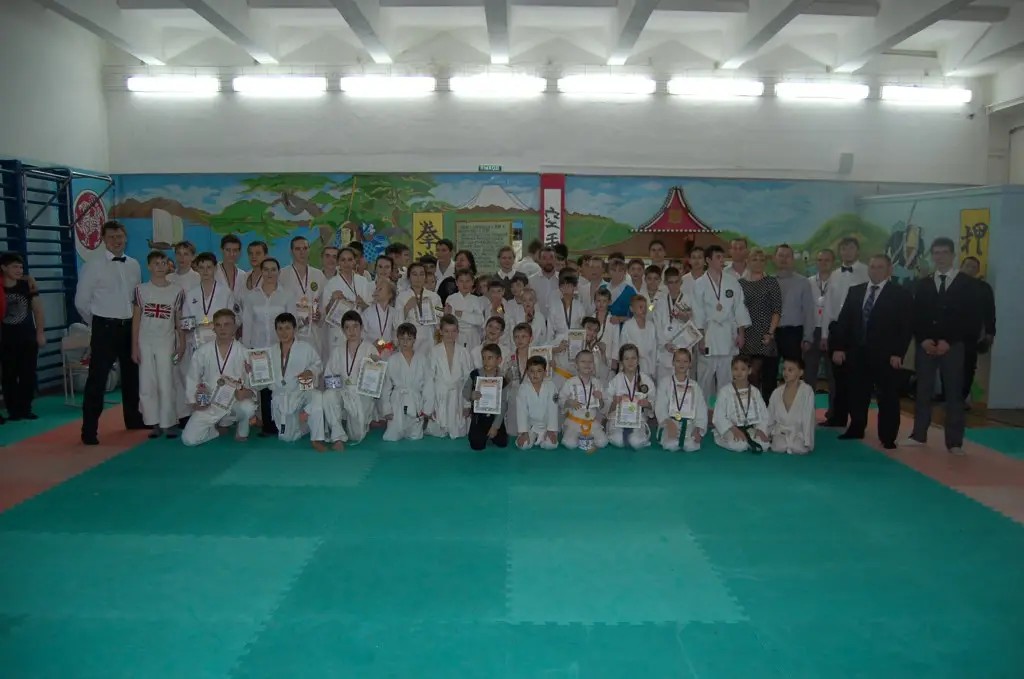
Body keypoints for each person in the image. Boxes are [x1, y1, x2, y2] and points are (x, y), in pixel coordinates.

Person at [831, 254, 913, 449]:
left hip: (886, 355)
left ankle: (888, 436)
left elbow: (905, 327)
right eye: (872, 267)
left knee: (887, 397)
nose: (875, 270)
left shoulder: (900, 294)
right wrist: (839, 347)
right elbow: (844, 321)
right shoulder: (856, 291)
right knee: (857, 393)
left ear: (889, 270)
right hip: (857, 352)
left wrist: (898, 353)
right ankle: (856, 427)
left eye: (880, 267)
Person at [75, 220, 145, 445]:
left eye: (120, 237)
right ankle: (89, 429)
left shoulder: (134, 264)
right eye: (112, 237)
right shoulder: (93, 265)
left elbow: (137, 299)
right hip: (104, 327)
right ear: (104, 240)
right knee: (97, 379)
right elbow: (81, 301)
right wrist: (97, 322)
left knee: (132, 376)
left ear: (126, 238)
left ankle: (133, 419)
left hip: (129, 327)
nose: (116, 241)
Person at [903, 238, 974, 454]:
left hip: (953, 346)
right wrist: (923, 339)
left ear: (953, 255)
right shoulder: (924, 283)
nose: (940, 257)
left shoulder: (966, 283)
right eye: (936, 253)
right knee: (923, 391)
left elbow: (970, 318)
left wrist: (948, 341)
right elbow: (915, 315)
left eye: (944, 252)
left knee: (953, 393)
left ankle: (954, 442)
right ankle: (918, 435)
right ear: (932, 255)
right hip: (926, 345)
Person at [181, 309, 257, 446]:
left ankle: (242, 428)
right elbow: (192, 377)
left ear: (234, 328)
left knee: (248, 407)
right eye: (218, 325)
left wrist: (247, 392)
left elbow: (253, 383)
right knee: (188, 440)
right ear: (213, 328)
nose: (222, 328)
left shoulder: (244, 352)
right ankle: (213, 431)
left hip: (234, 402)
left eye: (227, 324)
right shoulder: (203, 351)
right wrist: (194, 402)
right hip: (209, 402)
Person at [131, 251, 184, 439]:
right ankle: (153, 422)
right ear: (149, 266)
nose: (160, 267)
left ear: (168, 265)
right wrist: (134, 347)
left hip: (166, 341)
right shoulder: (140, 290)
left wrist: (182, 344)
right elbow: (136, 320)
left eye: (163, 263)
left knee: (166, 382)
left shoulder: (177, 291)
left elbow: (178, 321)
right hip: (145, 341)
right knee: (147, 383)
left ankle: (169, 422)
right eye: (156, 263)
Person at [241, 258, 296, 436]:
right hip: (259, 349)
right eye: (266, 270)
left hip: (281, 348)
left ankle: (283, 422)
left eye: (273, 269)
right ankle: (267, 424)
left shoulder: (287, 294)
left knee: (280, 386)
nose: (270, 273)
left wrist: (290, 348)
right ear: (261, 271)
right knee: (264, 388)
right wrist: (246, 352)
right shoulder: (251, 296)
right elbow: (247, 325)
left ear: (279, 272)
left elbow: (292, 323)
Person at [821, 236, 869, 427]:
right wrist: (825, 334)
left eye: (851, 248)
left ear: (857, 251)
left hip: (857, 330)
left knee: (857, 379)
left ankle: (857, 422)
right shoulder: (833, 275)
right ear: (840, 252)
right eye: (844, 249)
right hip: (836, 329)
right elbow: (827, 306)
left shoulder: (867, 272)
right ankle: (837, 417)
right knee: (837, 377)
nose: (847, 252)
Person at [692, 245, 751, 398]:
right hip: (709, 335)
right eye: (718, 257)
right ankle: (703, 411)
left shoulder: (732, 281)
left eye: (722, 257)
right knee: (704, 380)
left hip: (727, 335)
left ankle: (725, 410)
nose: (722, 260)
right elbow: (698, 312)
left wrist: (741, 333)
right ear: (708, 260)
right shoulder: (699, 283)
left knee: (726, 380)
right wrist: (701, 338)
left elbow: (739, 308)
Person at [265, 313, 327, 450]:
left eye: (287, 328)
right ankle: (304, 424)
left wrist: (310, 372)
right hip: (281, 397)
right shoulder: (269, 351)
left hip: (300, 391)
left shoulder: (305, 348)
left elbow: (318, 364)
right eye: (280, 328)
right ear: (276, 330)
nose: (284, 332)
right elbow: (263, 379)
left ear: (294, 329)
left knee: (317, 396)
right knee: (287, 437)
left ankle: (317, 438)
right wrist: (252, 370)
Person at [323, 310, 380, 448]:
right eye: (347, 327)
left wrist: (376, 365)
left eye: (355, 326)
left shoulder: (370, 349)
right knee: (328, 395)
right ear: (343, 330)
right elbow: (329, 377)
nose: (352, 331)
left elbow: (376, 380)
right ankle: (337, 436)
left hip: (361, 393)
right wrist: (341, 388)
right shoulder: (337, 351)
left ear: (361, 328)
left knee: (355, 435)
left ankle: (361, 421)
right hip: (342, 389)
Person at [0, 252, 46, 421]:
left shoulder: (27, 285)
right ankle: (13, 410)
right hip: (5, 339)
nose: (19, 270)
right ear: (3, 267)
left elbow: (38, 310)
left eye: (21, 267)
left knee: (28, 375)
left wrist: (40, 332)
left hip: (27, 338)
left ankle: (26, 408)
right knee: (8, 376)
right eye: (15, 267)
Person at [738, 248, 782, 403]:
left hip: (765, 336)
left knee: (767, 377)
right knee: (749, 376)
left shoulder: (771, 282)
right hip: (747, 336)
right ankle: (750, 408)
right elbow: (737, 311)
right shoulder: (740, 284)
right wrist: (740, 334)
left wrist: (770, 332)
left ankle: (767, 410)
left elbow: (777, 310)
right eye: (754, 259)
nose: (758, 263)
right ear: (748, 261)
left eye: (762, 260)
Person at [382, 323, 434, 442]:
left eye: (409, 339)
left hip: (415, 401)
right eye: (402, 339)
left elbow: (428, 385)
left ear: (414, 340)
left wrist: (427, 409)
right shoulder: (392, 360)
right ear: (397, 339)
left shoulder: (422, 359)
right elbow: (386, 386)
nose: (405, 342)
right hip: (397, 401)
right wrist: (387, 409)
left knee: (415, 437)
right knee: (391, 437)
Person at [426, 313, 472, 439]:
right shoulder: (434, 351)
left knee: (458, 432)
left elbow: (468, 379)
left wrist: (467, 405)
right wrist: (429, 407)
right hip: (439, 395)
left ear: (458, 332)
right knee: (438, 431)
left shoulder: (463, 352)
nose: (450, 335)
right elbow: (429, 380)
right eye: (446, 331)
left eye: (453, 331)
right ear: (440, 331)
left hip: (457, 395)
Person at [712, 356, 770, 453]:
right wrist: (734, 429)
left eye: (743, 369)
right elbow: (719, 416)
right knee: (739, 446)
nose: (739, 372)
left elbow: (764, 413)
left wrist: (760, 429)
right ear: (731, 370)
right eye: (735, 369)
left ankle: (748, 439)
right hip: (731, 428)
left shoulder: (755, 391)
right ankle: (722, 439)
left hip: (751, 428)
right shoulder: (725, 391)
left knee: (764, 445)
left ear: (749, 370)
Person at [321, 246, 373, 352]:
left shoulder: (363, 282)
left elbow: (371, 309)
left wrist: (363, 304)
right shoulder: (331, 284)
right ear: (338, 262)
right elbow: (325, 313)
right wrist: (332, 300)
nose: (346, 263)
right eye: (343, 260)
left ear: (355, 261)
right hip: (339, 332)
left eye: (350, 260)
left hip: (359, 330)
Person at [654, 348, 708, 452]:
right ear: (673, 363)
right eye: (678, 361)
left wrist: (698, 428)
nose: (681, 364)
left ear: (690, 364)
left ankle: (689, 436)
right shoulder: (665, 383)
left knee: (691, 446)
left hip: (689, 424)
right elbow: (660, 406)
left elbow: (701, 409)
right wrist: (668, 423)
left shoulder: (694, 386)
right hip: (670, 422)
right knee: (671, 445)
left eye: (685, 361)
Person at [959, 256, 996, 405]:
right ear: (961, 267)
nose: (970, 269)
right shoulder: (950, 284)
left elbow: (990, 311)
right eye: (967, 265)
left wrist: (990, 332)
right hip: (950, 335)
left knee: (968, 367)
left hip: (972, 335)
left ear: (978, 271)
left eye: (974, 267)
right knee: (948, 367)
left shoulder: (983, 288)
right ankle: (948, 397)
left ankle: (962, 398)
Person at [280, 236, 327, 351]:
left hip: (313, 330)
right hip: (290, 329)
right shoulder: (282, 275)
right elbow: (279, 304)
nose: (302, 252)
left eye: (305, 248)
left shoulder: (318, 275)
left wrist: (320, 314)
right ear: (291, 251)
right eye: (298, 249)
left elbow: (323, 301)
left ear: (309, 250)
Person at [805, 249, 837, 415]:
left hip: (833, 331)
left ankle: (833, 413)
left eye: (827, 260)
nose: (823, 263)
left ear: (833, 262)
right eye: (820, 260)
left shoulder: (838, 282)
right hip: (812, 330)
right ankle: (808, 412)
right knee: (809, 374)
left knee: (834, 375)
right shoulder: (808, 282)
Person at [773, 244, 815, 364]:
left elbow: (808, 311)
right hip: (771, 334)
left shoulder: (803, 282)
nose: (784, 259)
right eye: (781, 255)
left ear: (793, 259)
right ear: (775, 258)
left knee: (794, 370)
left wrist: (807, 338)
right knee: (769, 371)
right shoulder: (768, 281)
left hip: (793, 334)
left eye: (787, 256)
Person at [606, 343, 653, 449]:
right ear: (621, 362)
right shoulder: (615, 380)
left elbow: (653, 403)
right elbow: (607, 406)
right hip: (617, 418)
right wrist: (614, 403)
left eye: (633, 358)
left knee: (636, 442)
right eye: (626, 359)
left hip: (638, 419)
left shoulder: (646, 380)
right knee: (618, 440)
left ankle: (640, 436)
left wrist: (647, 404)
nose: (630, 362)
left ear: (638, 360)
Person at [559, 349, 607, 451]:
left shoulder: (597, 383)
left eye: (590, 362)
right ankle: (572, 434)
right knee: (570, 444)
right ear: (576, 365)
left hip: (591, 422)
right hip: (574, 422)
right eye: (583, 361)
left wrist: (600, 399)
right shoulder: (570, 382)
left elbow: (602, 407)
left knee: (602, 442)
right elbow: (561, 400)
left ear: (594, 365)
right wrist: (568, 402)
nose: (587, 364)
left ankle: (585, 437)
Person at [465, 343, 510, 450]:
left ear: (499, 360)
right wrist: (470, 395)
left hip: (495, 417)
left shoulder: (502, 380)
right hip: (478, 418)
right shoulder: (475, 374)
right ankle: (480, 434)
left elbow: (503, 405)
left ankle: (493, 432)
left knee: (502, 443)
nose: (486, 361)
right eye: (483, 358)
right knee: (476, 445)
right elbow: (464, 391)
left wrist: (495, 427)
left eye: (490, 358)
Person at [654, 266, 694, 383]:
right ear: (666, 283)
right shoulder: (659, 301)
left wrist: (686, 318)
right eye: (671, 282)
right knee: (663, 384)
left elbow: (694, 324)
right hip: (665, 348)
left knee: (681, 383)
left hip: (683, 346)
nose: (674, 285)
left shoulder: (688, 299)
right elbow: (656, 325)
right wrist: (665, 343)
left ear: (681, 282)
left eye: (676, 282)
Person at [767, 357, 816, 454]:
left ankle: (800, 441)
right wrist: (767, 434)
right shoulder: (777, 392)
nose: (786, 373)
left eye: (790, 370)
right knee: (778, 447)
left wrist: (807, 440)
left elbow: (808, 417)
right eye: (784, 369)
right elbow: (770, 415)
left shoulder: (807, 391)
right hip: (781, 432)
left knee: (798, 448)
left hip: (798, 432)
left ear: (800, 372)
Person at [515, 355, 559, 450]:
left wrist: (551, 430)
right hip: (530, 426)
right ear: (527, 373)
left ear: (545, 372)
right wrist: (524, 432)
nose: (535, 374)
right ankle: (533, 437)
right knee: (523, 446)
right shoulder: (523, 388)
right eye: (532, 371)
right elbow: (521, 411)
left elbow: (553, 409)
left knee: (551, 445)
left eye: (539, 371)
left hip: (546, 425)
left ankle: (544, 437)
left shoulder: (551, 386)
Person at [617, 295, 657, 377]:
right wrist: (622, 367)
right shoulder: (627, 325)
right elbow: (622, 347)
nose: (644, 310)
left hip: (647, 365)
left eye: (645, 307)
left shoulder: (651, 326)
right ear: (632, 309)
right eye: (640, 307)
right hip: (630, 364)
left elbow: (654, 349)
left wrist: (653, 369)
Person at [445, 269, 485, 349]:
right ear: (456, 283)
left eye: (467, 281)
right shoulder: (451, 299)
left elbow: (480, 320)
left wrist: (463, 315)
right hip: (456, 335)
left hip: (472, 336)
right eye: (461, 281)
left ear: (472, 282)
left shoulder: (476, 300)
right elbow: (448, 318)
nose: (464, 284)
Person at [602, 253, 636, 322]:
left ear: (625, 272)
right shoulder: (602, 288)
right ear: (608, 271)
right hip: (604, 326)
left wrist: (620, 319)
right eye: (613, 270)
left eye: (620, 270)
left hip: (624, 327)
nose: (617, 273)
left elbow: (636, 316)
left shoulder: (630, 291)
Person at [528, 246, 559, 317]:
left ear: (555, 259)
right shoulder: (531, 280)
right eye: (544, 258)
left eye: (551, 258)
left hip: (558, 321)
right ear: (540, 260)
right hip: (537, 320)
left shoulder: (562, 280)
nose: (548, 261)